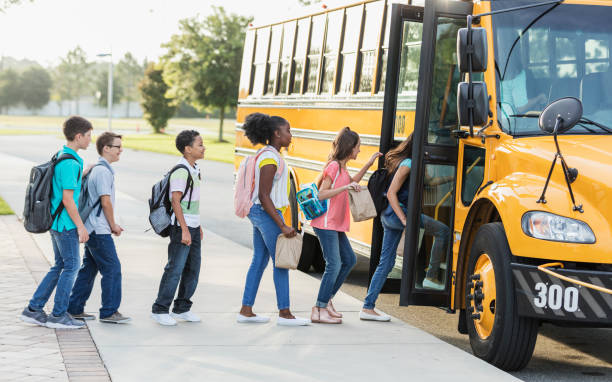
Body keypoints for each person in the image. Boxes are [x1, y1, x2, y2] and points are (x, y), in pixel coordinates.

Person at [360, 134, 450, 322]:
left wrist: (452, 177)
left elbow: (431, 183)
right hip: (396, 214)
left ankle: (368, 307)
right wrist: (405, 220)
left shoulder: (413, 163)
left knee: (387, 262)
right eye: (429, 143)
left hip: (390, 216)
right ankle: (431, 277)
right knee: (443, 231)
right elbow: (391, 193)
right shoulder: (408, 163)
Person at [19, 116, 92, 329]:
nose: (90, 140)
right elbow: (68, 199)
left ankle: (33, 309)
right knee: (72, 266)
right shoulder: (70, 163)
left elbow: (64, 187)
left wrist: (84, 172)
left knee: (60, 265)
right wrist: (81, 226)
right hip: (67, 225)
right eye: (88, 136)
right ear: (78, 136)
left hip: (55, 222)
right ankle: (58, 315)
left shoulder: (62, 156)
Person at [237, 112, 309, 326]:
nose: (291, 135)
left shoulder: (269, 154)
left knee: (260, 260)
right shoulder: (269, 158)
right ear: (276, 133)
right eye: (288, 131)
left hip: (261, 212)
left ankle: (246, 310)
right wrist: (282, 224)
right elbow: (264, 195)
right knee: (281, 262)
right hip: (265, 212)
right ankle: (285, 314)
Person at [310, 127, 381, 324]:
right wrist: (344, 187)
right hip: (325, 223)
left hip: (336, 223)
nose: (359, 151)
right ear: (349, 148)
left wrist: (368, 164)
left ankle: (326, 300)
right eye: (358, 148)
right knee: (334, 264)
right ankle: (319, 308)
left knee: (348, 260)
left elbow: (352, 182)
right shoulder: (333, 166)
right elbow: (321, 193)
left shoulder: (342, 167)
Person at [67, 132, 130, 324]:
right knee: (112, 269)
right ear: (106, 148)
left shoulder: (98, 169)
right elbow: (105, 202)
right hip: (99, 229)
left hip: (92, 228)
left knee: (88, 269)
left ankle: (75, 308)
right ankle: (109, 312)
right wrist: (113, 225)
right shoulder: (102, 172)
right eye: (117, 146)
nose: (121, 150)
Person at [151, 130, 205, 326]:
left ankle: (182, 308)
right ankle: (160, 309)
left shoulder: (194, 168)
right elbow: (176, 201)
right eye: (199, 144)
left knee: (193, 269)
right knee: (175, 268)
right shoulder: (181, 171)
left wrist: (197, 225)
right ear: (187, 149)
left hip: (192, 225)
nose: (203, 147)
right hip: (180, 227)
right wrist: (184, 229)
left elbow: (191, 203)